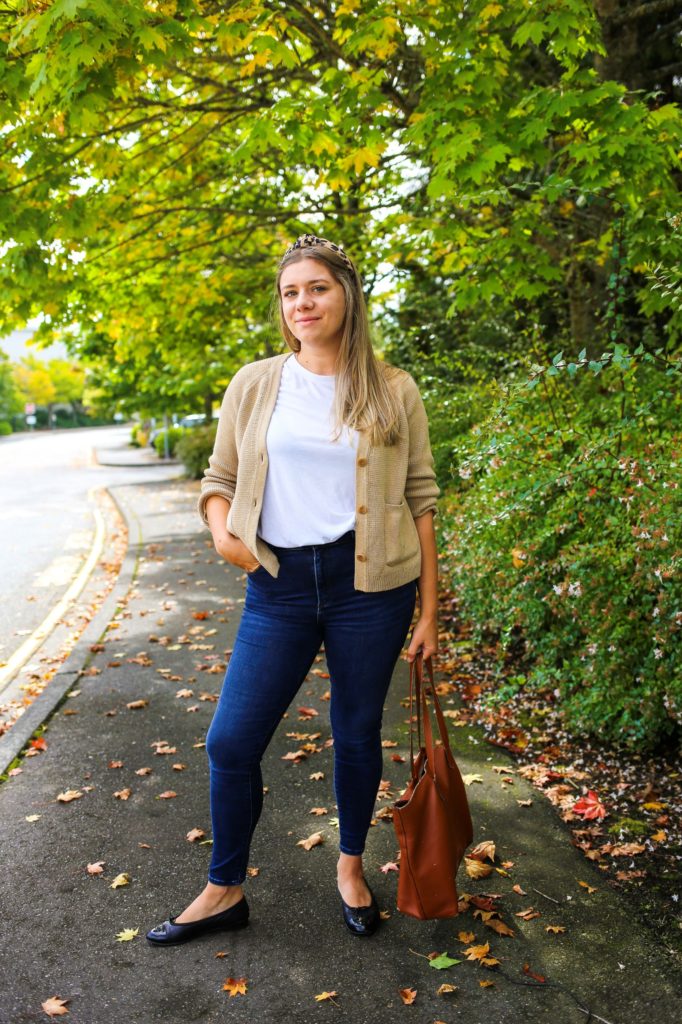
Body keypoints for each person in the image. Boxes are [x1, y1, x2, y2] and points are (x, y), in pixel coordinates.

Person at [146, 234, 439, 946]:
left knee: (355, 732)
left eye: (317, 288)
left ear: (347, 294)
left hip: (369, 587)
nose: (302, 303)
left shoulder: (393, 388)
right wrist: (223, 534)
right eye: (290, 292)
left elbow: (421, 499)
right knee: (232, 741)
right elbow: (218, 479)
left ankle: (348, 866)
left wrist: (430, 611)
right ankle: (224, 888)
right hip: (278, 584)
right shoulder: (255, 383)